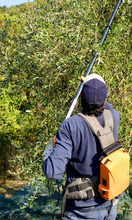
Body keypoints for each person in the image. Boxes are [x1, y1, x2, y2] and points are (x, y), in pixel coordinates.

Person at [42, 73, 120, 219]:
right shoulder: (114, 116)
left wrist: (50, 150)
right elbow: (104, 102)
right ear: (104, 100)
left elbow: (52, 172)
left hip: (80, 210)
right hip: (110, 204)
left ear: (81, 99)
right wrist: (94, 84)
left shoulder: (70, 125)